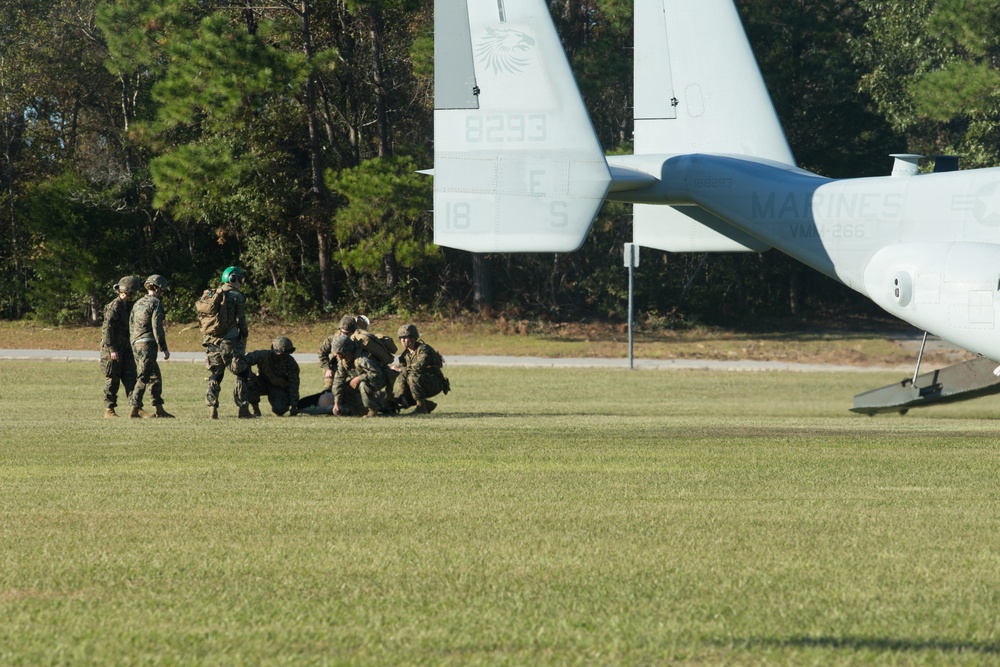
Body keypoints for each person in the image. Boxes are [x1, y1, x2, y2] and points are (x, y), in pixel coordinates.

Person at [203, 266, 252, 419]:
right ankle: (243, 408)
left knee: (216, 374)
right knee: (242, 372)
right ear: (234, 279)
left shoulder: (212, 294)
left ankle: (212, 407)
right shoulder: (236, 296)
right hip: (230, 342)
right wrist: (244, 335)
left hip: (211, 341)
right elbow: (242, 320)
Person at [127, 274, 174, 418]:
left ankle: (159, 409)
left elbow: (131, 325)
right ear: (159, 288)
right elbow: (157, 327)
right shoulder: (156, 303)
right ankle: (134, 408)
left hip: (136, 343)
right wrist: (163, 347)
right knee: (144, 376)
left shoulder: (138, 303)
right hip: (148, 344)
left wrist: (134, 344)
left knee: (154, 376)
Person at [100, 275, 142, 418]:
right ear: (127, 291)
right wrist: (112, 349)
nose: (135, 295)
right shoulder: (114, 307)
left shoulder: (128, 306)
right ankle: (109, 409)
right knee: (113, 379)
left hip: (125, 346)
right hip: (113, 349)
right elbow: (106, 329)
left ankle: (135, 408)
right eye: (134, 292)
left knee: (131, 377)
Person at [391, 323, 449, 415]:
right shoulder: (404, 355)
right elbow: (402, 372)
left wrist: (401, 369)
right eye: (401, 338)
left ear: (413, 338)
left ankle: (421, 407)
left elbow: (418, 367)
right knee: (402, 382)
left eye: (406, 338)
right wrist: (399, 396)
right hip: (419, 382)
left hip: (434, 382)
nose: (403, 341)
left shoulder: (424, 349)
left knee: (412, 377)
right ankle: (426, 404)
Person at [330, 334, 387, 418]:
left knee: (363, 385)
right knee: (345, 388)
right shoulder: (342, 362)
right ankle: (359, 409)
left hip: (379, 379)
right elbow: (338, 381)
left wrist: (359, 378)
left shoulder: (362, 359)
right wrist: (336, 403)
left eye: (338, 353)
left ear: (346, 351)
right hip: (366, 380)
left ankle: (373, 411)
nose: (336, 355)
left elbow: (375, 373)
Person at [245, 336, 301, 417]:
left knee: (280, 410)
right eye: (281, 355)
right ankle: (255, 410)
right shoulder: (262, 355)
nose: (283, 357)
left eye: (286, 354)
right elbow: (244, 361)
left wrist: (294, 406)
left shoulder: (291, 364)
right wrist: (249, 374)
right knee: (247, 383)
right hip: (261, 383)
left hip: (277, 387)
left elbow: (294, 385)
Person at [318, 315, 358, 392]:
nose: (344, 335)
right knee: (328, 387)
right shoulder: (333, 339)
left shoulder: (358, 340)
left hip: (353, 367)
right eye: (343, 332)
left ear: (353, 332)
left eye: (347, 333)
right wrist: (327, 368)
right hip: (336, 365)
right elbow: (321, 353)